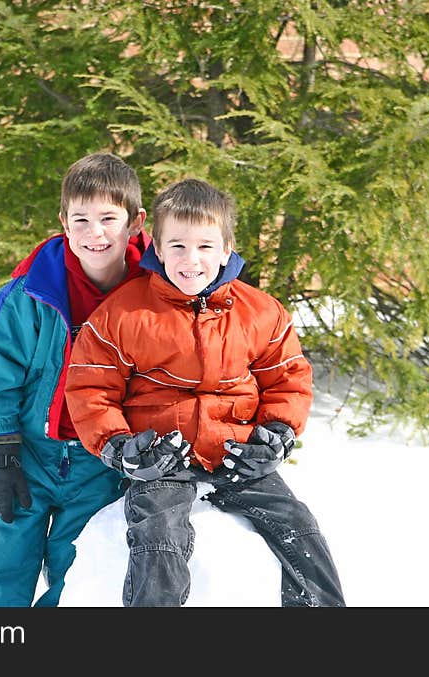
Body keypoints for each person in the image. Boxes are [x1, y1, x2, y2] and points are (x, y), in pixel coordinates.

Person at [65, 178, 345, 607]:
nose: (190, 260)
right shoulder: (124, 312)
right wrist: (121, 446)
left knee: (300, 530)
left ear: (227, 247)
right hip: (164, 459)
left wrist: (276, 434)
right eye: (176, 246)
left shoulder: (261, 312)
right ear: (157, 248)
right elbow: (91, 387)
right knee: (157, 539)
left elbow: (286, 377)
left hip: (237, 454)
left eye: (205, 246)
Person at [0, 152, 149, 606]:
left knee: (81, 574)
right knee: (1, 570)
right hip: (25, 456)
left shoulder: (152, 301)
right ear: (64, 221)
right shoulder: (26, 299)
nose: (94, 233)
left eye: (108, 218)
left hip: (101, 462)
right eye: (81, 219)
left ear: (136, 223)